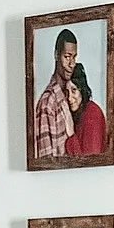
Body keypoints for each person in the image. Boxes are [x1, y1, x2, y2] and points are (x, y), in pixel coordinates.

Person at [34, 26, 78, 161]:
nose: (72, 64)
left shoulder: (70, 95)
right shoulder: (48, 102)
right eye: (67, 57)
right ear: (56, 55)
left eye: (74, 57)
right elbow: (46, 161)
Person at [64, 62, 107, 157]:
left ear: (82, 89)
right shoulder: (80, 111)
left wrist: (71, 135)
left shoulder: (92, 114)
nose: (69, 98)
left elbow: (89, 163)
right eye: (66, 92)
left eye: (74, 90)